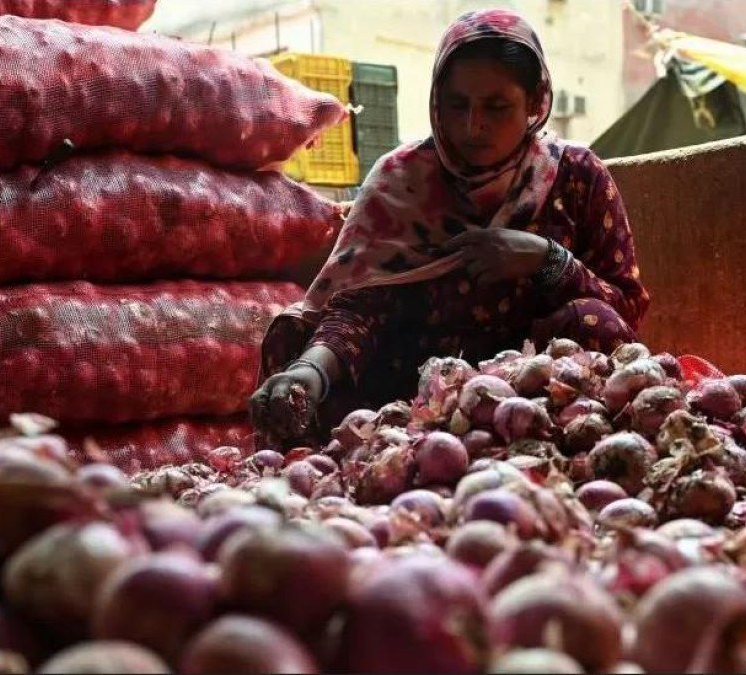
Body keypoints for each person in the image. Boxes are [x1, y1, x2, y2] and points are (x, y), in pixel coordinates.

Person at [249, 9, 650, 446]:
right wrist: (311, 371)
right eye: (457, 105)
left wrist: (545, 258)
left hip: (540, 400)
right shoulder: (402, 180)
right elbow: (360, 308)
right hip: (416, 394)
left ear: (536, 102)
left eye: (496, 107)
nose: (472, 126)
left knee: (595, 319)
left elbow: (624, 313)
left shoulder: (576, 176)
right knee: (298, 349)